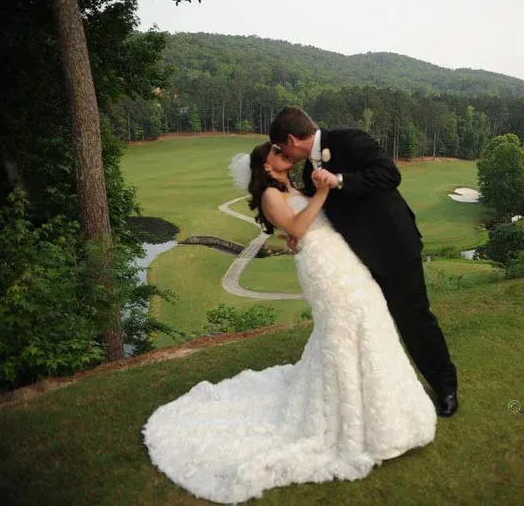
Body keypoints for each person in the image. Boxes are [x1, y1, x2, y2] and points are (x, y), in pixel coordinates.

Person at [142, 141, 437, 504]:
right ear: (265, 166)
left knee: (370, 313)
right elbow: (297, 224)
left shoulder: (288, 185)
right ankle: (353, 419)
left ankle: (386, 409)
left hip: (340, 255)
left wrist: (322, 195)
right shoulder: (268, 194)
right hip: (321, 265)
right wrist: (323, 192)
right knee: (346, 324)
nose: (287, 158)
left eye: (286, 153)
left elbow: (307, 221)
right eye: (279, 155)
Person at [269, 105, 459, 417]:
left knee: (414, 319)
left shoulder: (349, 139)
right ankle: (384, 391)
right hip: (356, 260)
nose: (282, 154)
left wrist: (340, 179)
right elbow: (325, 211)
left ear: (291, 139)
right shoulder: (307, 171)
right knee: (371, 322)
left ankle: (446, 387)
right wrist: (299, 233)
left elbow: (390, 175)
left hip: (394, 247)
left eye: (280, 147)